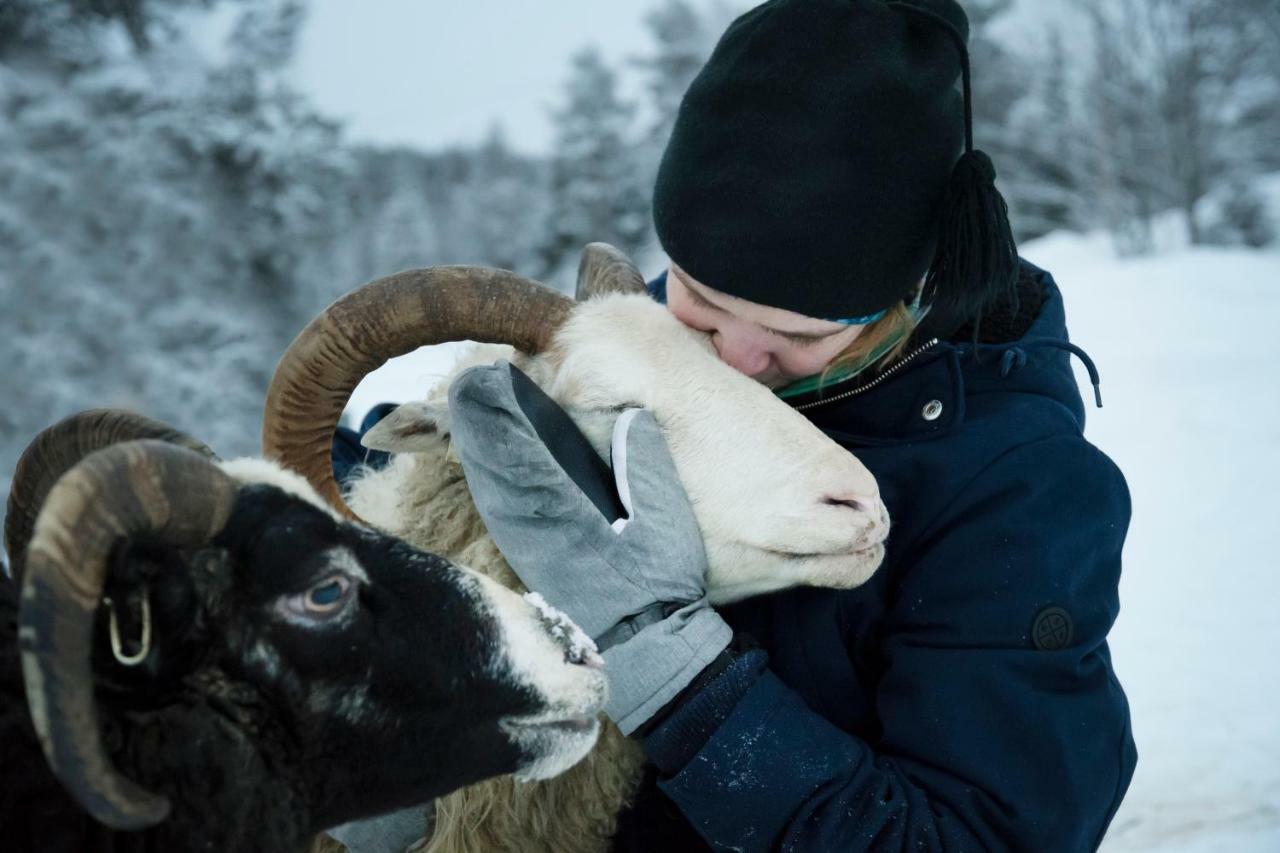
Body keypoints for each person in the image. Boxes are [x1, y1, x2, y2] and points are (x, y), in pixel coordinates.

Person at [445, 1, 1137, 851]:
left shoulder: (1017, 492)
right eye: (699, 300)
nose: (733, 362)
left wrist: (685, 681)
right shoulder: (658, 342)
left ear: (908, 292)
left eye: (799, 335)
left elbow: (978, 835)